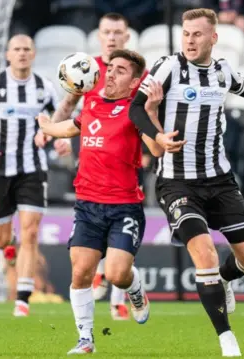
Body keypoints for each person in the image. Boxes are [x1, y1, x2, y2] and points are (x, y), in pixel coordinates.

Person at [128, 8, 244, 357]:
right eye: (186, 33)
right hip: (178, 183)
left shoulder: (221, 72)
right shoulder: (168, 67)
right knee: (204, 256)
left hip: (220, 181)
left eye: (197, 34)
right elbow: (136, 109)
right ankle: (226, 339)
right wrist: (157, 134)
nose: (189, 39)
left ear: (213, 38)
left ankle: (226, 280)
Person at [37, 49, 168, 355]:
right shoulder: (92, 102)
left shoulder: (135, 110)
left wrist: (151, 111)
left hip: (124, 206)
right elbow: (71, 127)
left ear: (135, 81)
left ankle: (134, 289)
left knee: (116, 275)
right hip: (87, 205)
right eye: (110, 68)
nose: (110, 74)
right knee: (81, 272)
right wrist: (46, 126)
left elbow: (157, 150)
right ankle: (86, 339)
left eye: (120, 71)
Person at [36, 12, 147, 321]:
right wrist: (49, 130)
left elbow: (148, 119)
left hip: (124, 164)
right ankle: (93, 324)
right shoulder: (86, 69)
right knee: (85, 261)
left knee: (116, 263)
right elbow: (70, 108)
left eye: (117, 32)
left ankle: (118, 297)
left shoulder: (139, 76)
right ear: (99, 36)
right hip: (91, 162)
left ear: (127, 36)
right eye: (106, 32)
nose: (111, 37)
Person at [0, 34, 71, 316]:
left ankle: (23, 298)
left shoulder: (44, 88)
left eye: (27, 49)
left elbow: (60, 121)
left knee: (31, 232)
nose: (22, 53)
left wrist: (61, 140)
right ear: (8, 55)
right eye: (17, 49)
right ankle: (9, 251)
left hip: (33, 169)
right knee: (1, 240)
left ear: (33, 55)